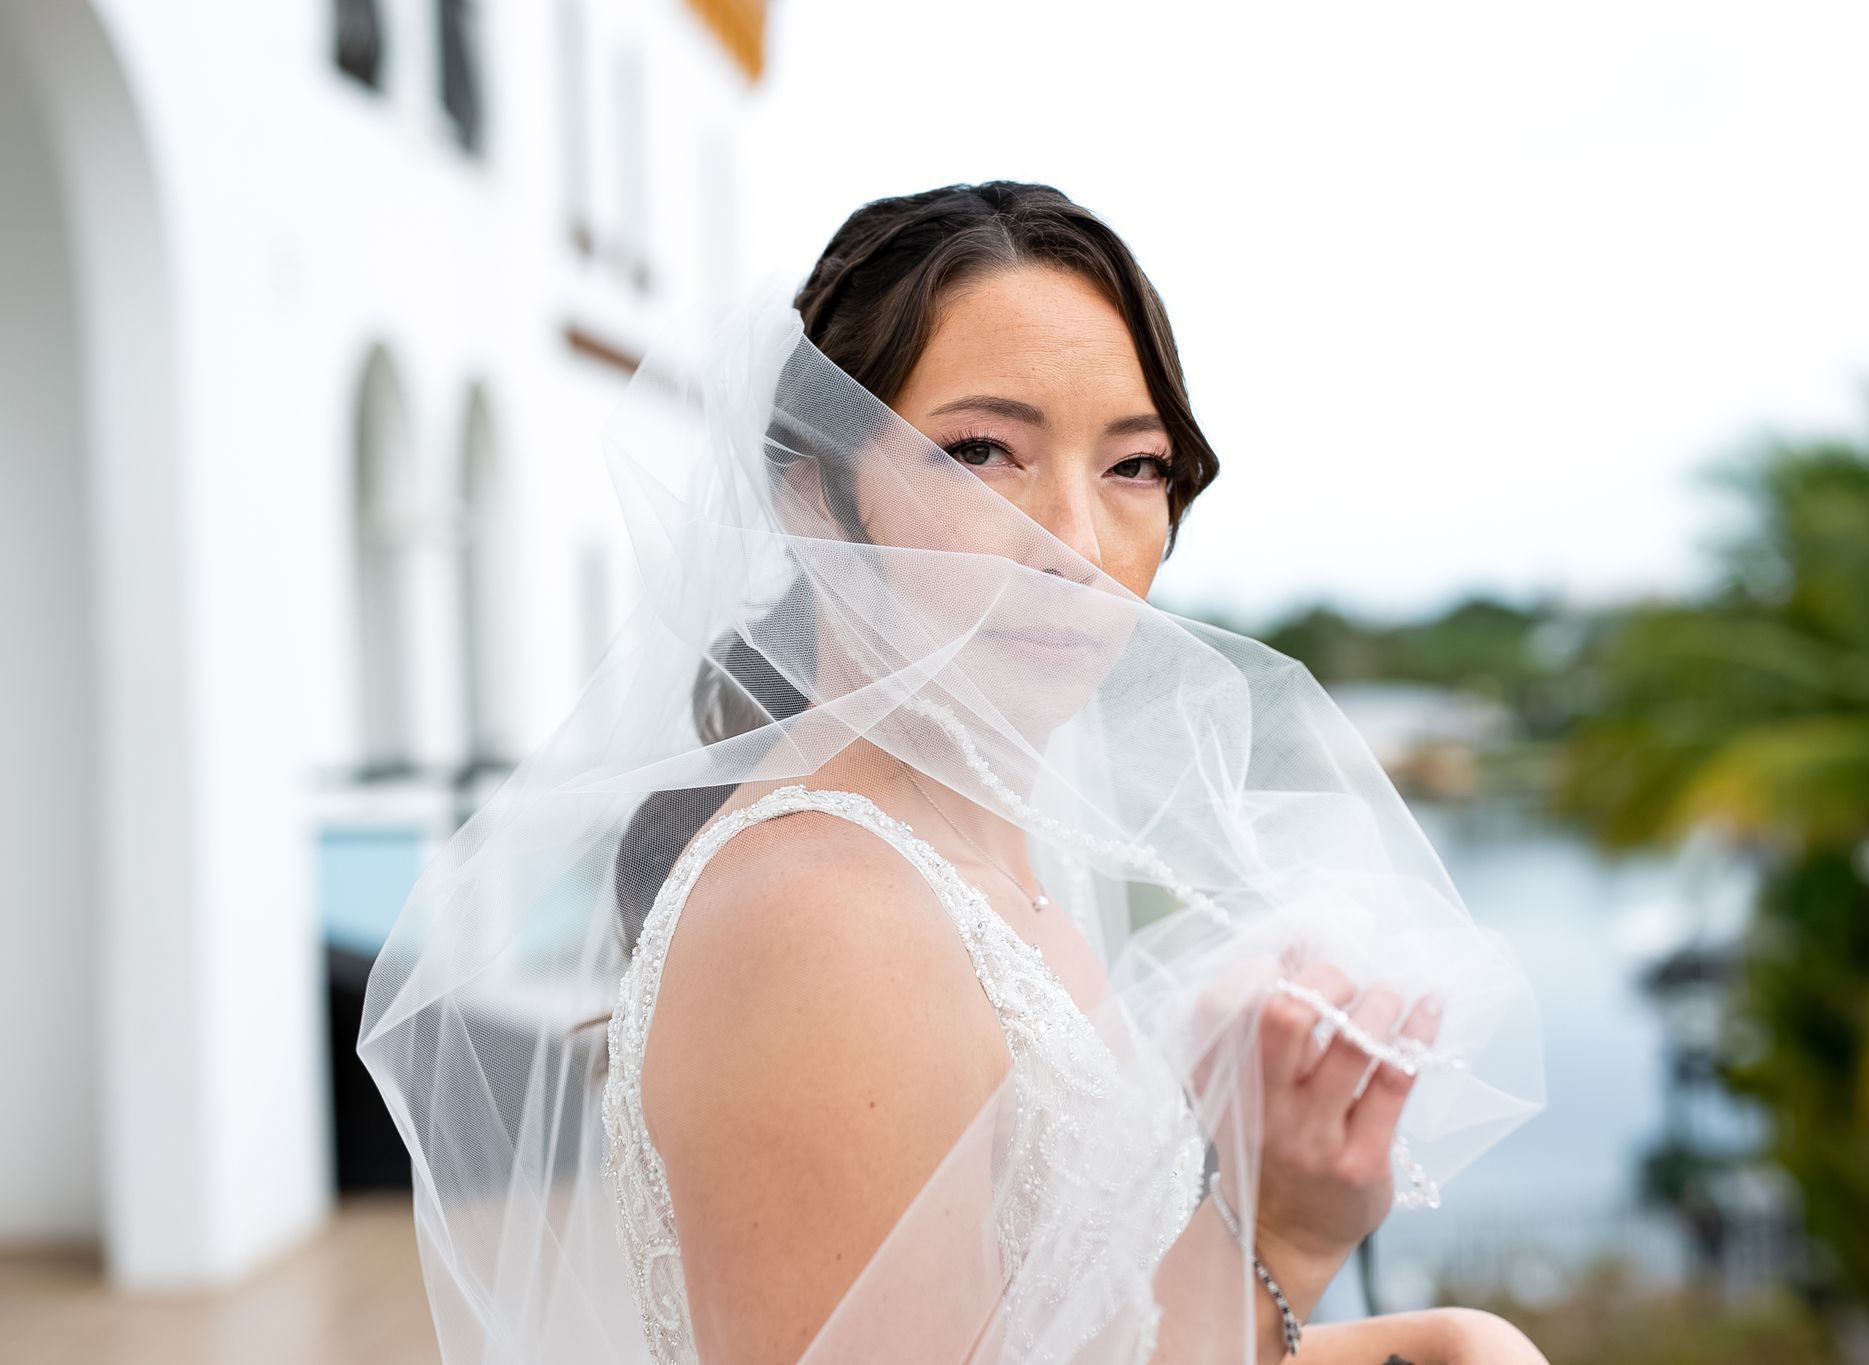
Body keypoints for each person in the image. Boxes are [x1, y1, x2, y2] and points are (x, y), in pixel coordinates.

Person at [361, 181, 1547, 1365]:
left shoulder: (973, 855)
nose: (1074, 549)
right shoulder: (826, 914)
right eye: (983, 452)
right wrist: (1277, 1234)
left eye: (1132, 466)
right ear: (809, 489)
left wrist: (1451, 1338)